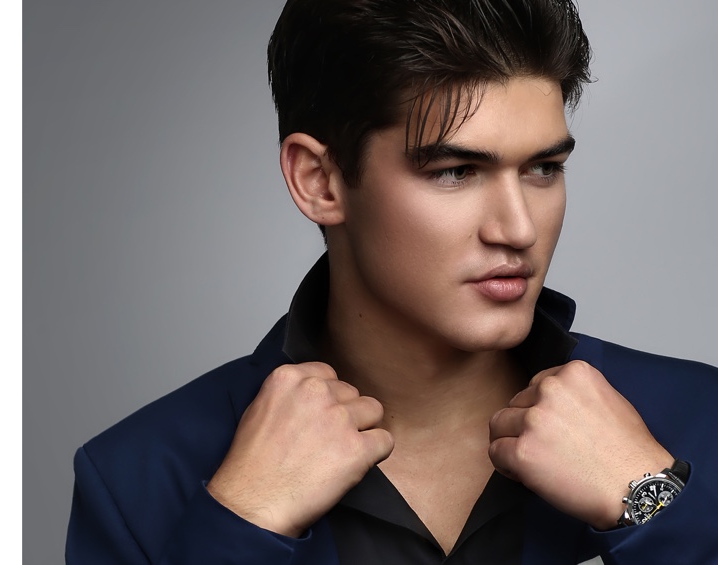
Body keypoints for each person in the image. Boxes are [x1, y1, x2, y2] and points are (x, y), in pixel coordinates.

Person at [65, 1, 718, 563]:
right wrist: (241, 524)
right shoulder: (136, 477)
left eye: (543, 168)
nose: (519, 228)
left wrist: (651, 504)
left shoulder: (699, 420)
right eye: (456, 172)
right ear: (319, 181)